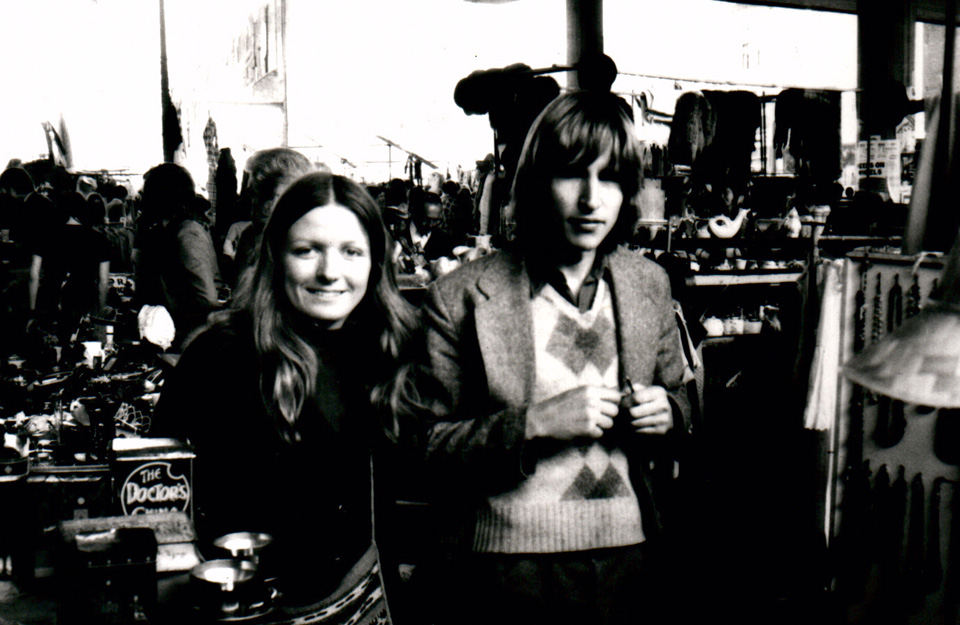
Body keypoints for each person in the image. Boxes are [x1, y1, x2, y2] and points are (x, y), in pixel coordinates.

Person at [405, 90, 691, 625]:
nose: (591, 199)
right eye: (571, 175)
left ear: (628, 191)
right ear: (537, 183)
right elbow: (423, 448)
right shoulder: (465, 295)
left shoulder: (648, 285)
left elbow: (686, 404)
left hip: (631, 559)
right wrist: (534, 423)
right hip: (507, 574)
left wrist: (670, 412)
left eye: (608, 178)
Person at [154, 171, 418, 622]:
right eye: (306, 251)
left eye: (351, 252)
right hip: (244, 609)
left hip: (367, 600)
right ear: (275, 256)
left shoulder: (397, 350)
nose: (329, 272)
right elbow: (157, 489)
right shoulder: (220, 354)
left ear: (376, 262)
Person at [134, 163, 221, 350]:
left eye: (146, 191)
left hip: (188, 340)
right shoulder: (164, 232)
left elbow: (207, 299)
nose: (140, 197)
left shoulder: (188, 234)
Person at [233, 147, 314, 284]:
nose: (252, 204)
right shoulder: (249, 237)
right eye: (253, 195)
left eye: (254, 194)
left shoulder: (311, 243)